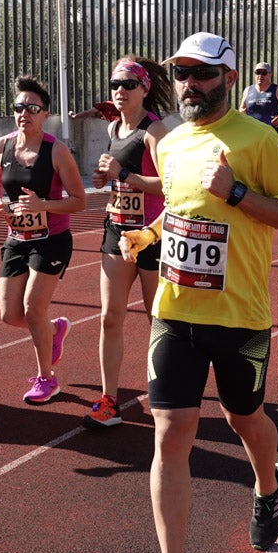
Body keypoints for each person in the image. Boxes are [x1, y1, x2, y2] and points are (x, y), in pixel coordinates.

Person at [119, 32, 278, 553]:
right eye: (181, 74)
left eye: (201, 73)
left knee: (243, 417)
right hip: (174, 313)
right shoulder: (173, 142)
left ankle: (269, 486)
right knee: (170, 433)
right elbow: (180, 211)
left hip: (239, 317)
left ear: (229, 77)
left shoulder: (257, 141)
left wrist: (238, 193)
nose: (189, 84)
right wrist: (149, 236)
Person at [0, 75, 86, 405]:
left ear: (45, 114)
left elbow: (79, 200)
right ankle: (54, 330)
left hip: (52, 239)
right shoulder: (1, 146)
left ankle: (47, 378)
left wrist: (44, 205)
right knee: (8, 315)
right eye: (19, 106)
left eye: (32, 107)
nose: (24, 113)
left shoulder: (56, 151)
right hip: (16, 238)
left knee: (32, 310)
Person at [85, 56, 172, 428]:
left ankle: (165, 389)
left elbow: (171, 185)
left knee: (157, 318)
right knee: (109, 317)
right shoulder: (112, 129)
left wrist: (126, 174)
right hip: (116, 229)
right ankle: (109, 400)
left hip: (151, 234)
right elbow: (117, 176)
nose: (119, 91)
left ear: (144, 89)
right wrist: (106, 179)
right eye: (114, 85)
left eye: (128, 85)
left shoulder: (156, 131)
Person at [238, 62, 278, 138]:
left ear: (270, 74)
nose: (260, 76)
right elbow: (242, 108)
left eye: (264, 73)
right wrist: (244, 118)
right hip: (252, 135)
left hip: (272, 135)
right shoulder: (248, 90)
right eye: (258, 73)